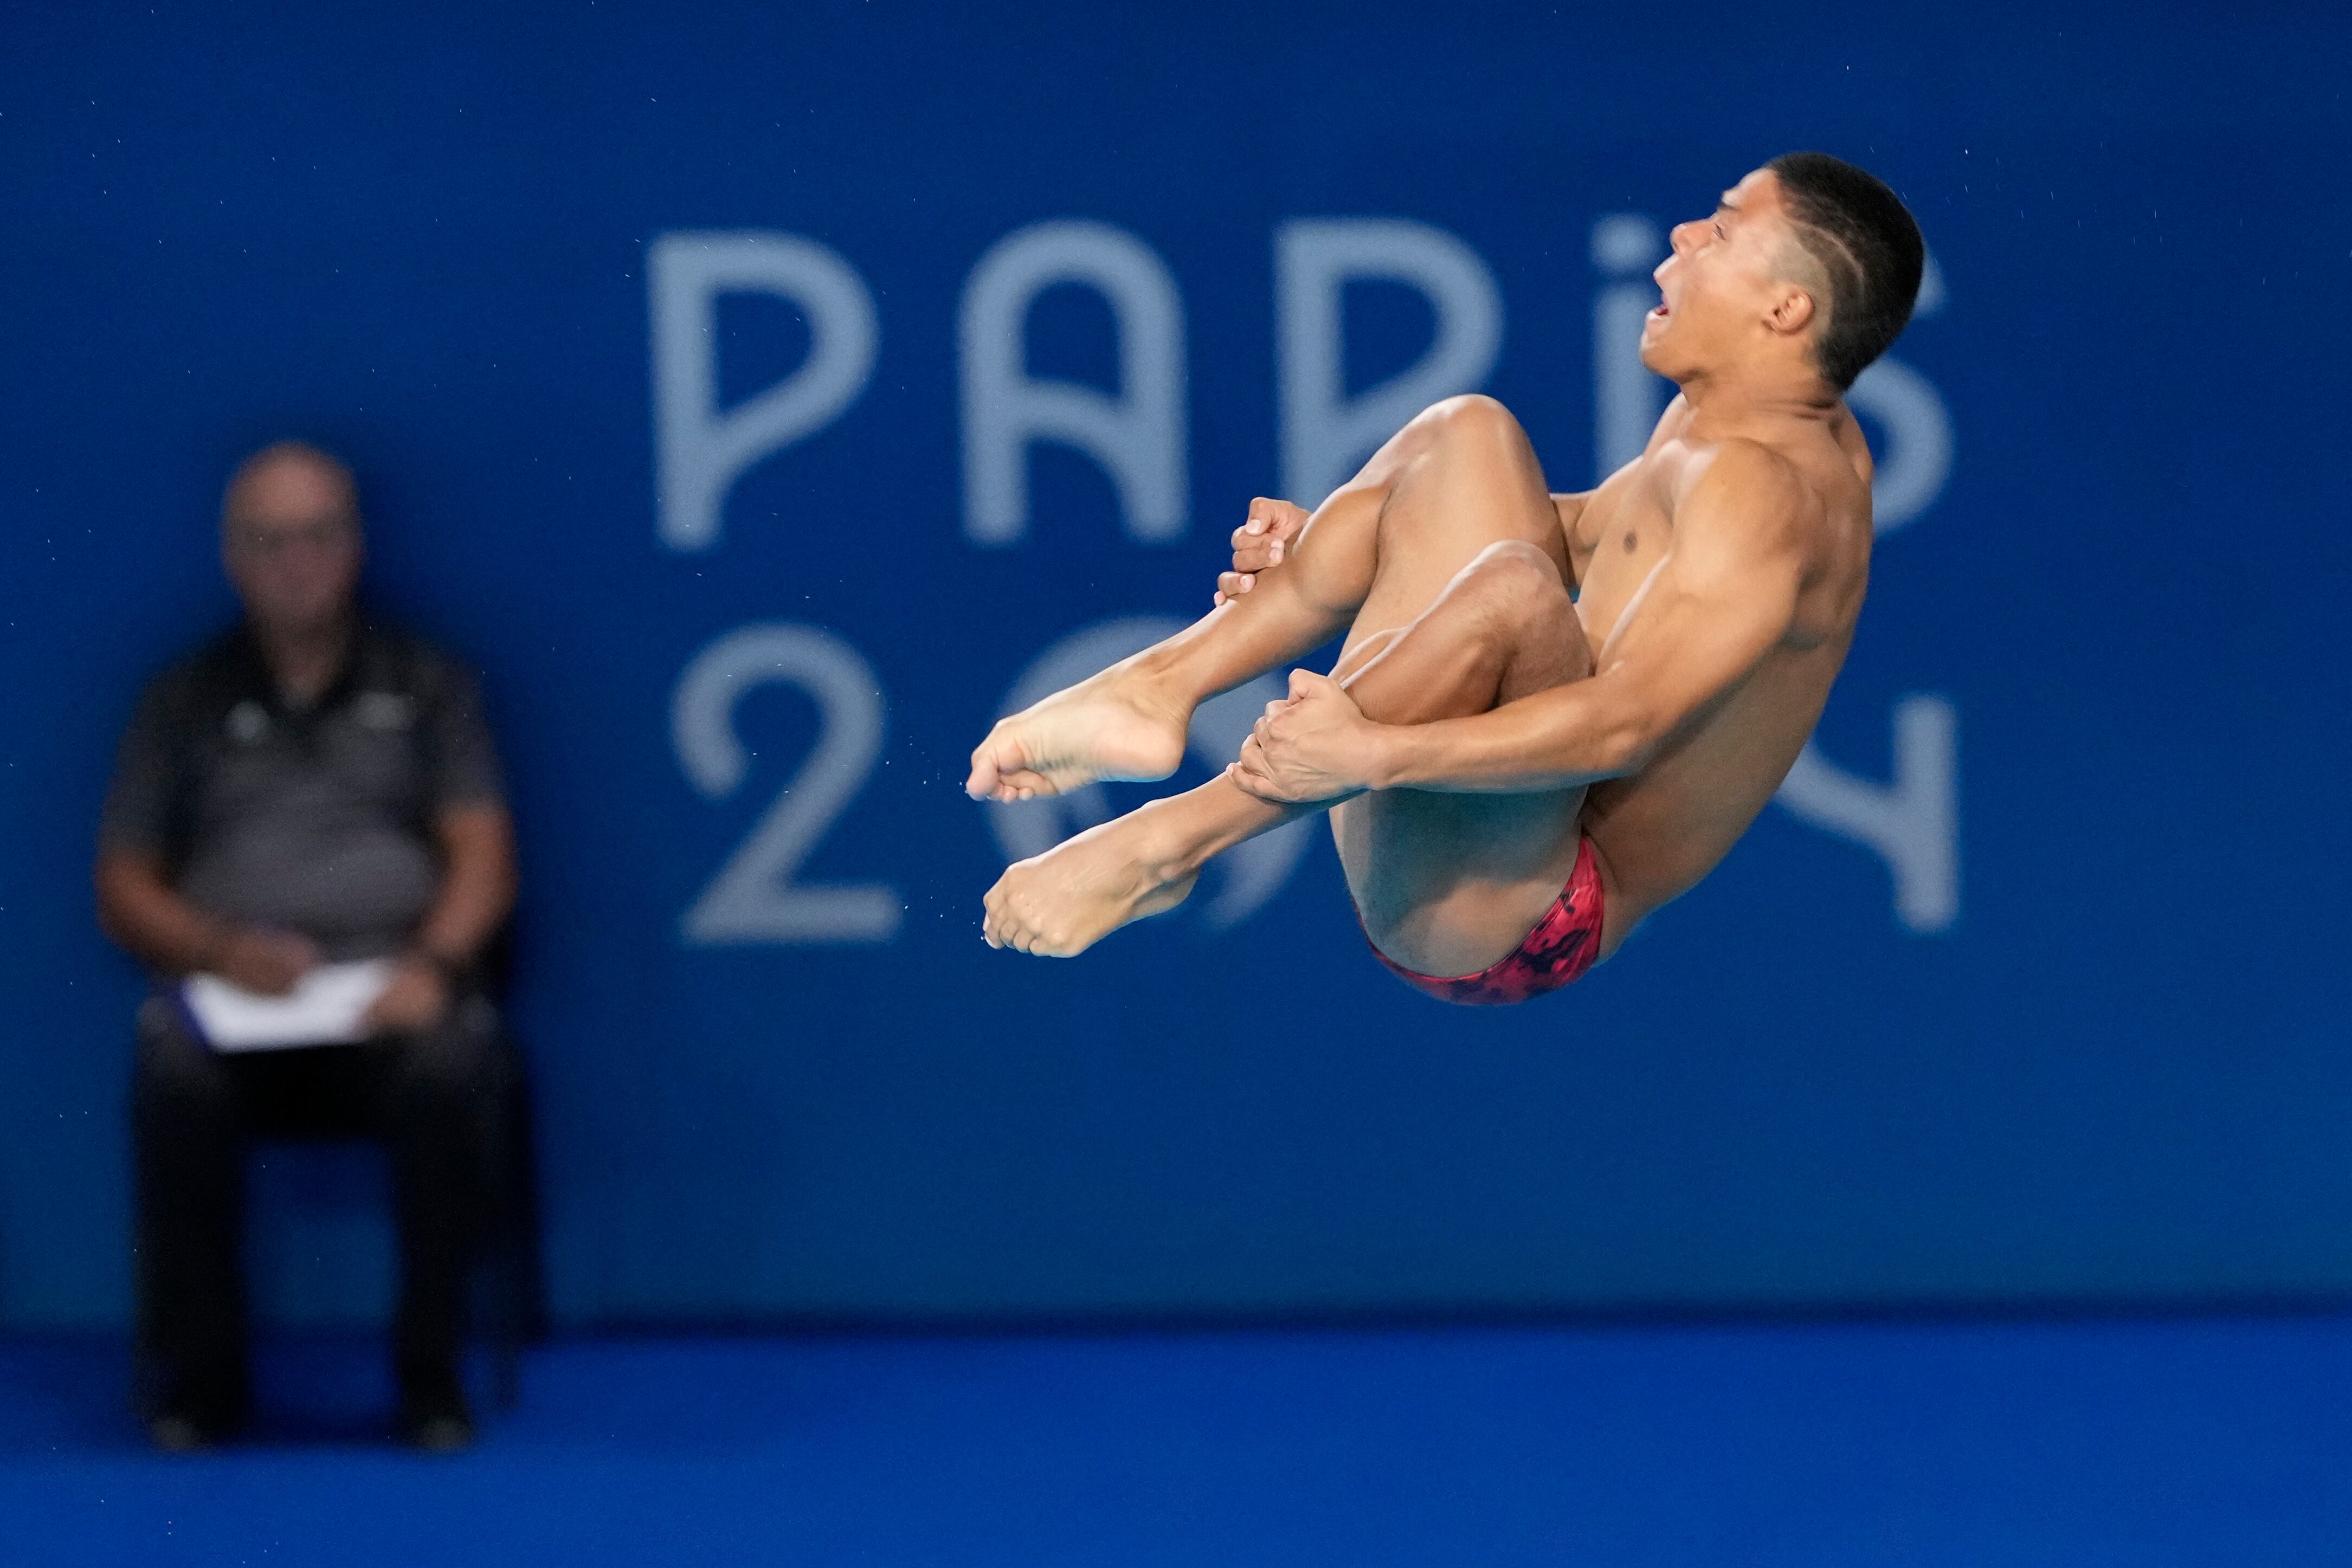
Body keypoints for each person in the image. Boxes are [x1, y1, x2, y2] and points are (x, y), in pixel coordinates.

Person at [968, 153, 1921, 1002]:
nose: (1681, 234)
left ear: (1784, 309)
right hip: (1487, 807)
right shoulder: (1752, 419)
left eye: (1719, 229)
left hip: (1524, 909)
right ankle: (1153, 689)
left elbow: (1628, 725)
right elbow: (1592, 535)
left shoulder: (1768, 493)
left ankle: (1170, 843)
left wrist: (1374, 758)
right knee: (1464, 434)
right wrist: (1363, 537)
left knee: (1512, 586)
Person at [94, 441, 517, 1450]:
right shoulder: (181, 698)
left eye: (320, 535)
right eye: (272, 540)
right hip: (233, 999)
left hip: (394, 1002)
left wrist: (434, 968)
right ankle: (201, 1382)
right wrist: (213, 945)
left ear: (356, 544)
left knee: (451, 1058)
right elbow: (123, 882)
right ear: (234, 555)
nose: (300, 561)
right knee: (169, 1066)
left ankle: (431, 1379)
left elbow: (483, 858)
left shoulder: (428, 684)